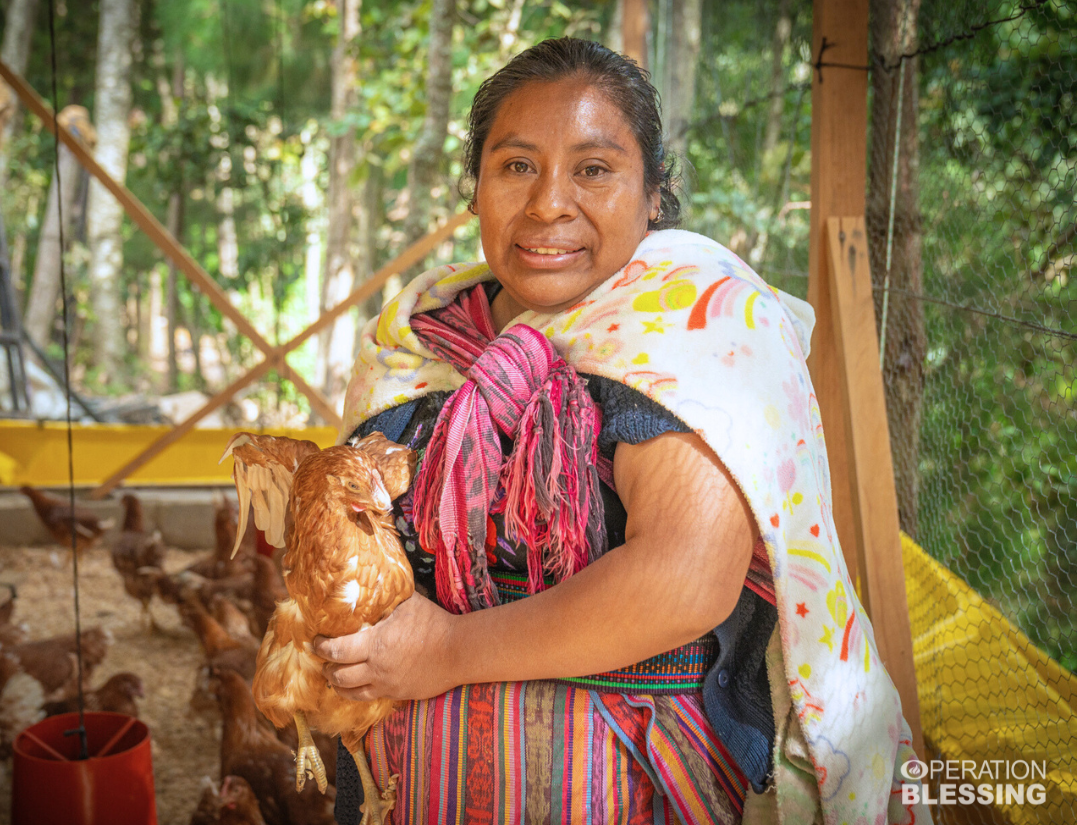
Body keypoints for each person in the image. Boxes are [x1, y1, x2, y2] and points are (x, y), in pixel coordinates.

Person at [315, 38, 927, 825]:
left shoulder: (692, 330)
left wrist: (446, 652)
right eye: (516, 166)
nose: (547, 204)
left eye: (594, 169)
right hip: (411, 787)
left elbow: (685, 578)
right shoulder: (416, 341)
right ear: (475, 190)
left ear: (654, 196)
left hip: (632, 784)